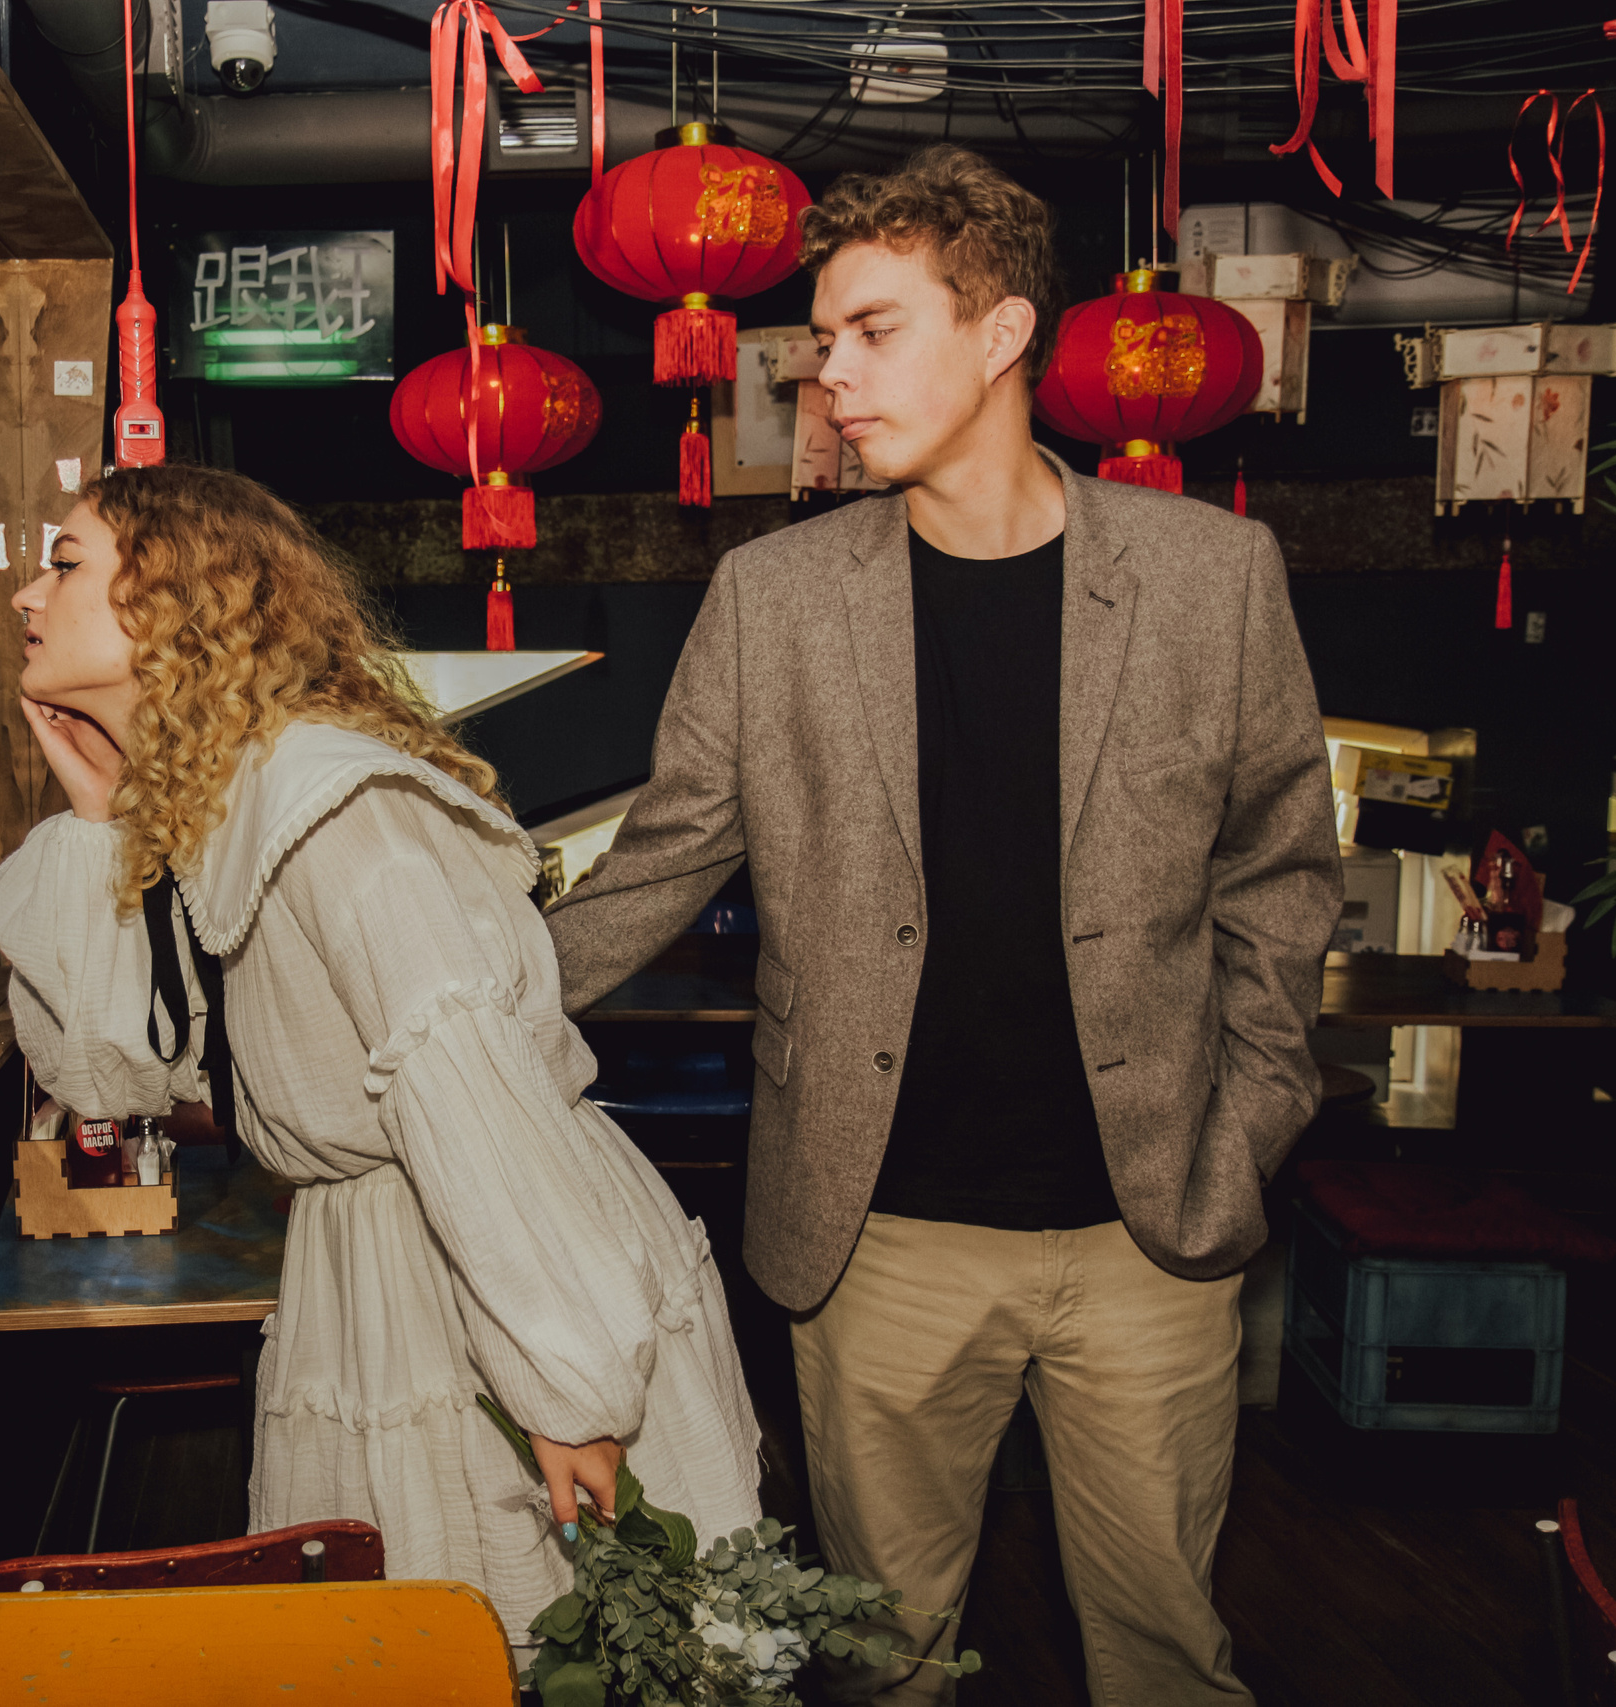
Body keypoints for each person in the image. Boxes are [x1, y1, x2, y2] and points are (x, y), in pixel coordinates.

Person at [544, 146, 1342, 1704]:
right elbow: (656, 862)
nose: (827, 375)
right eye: (821, 341)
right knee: (882, 1663)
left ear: (1002, 334)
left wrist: (1247, 1123)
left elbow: (1280, 873)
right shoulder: (771, 600)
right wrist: (450, 999)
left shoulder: (1211, 576)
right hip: (878, 1236)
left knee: (1171, 1655)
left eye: (871, 330)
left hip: (1152, 1234)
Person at [0, 463, 761, 1643]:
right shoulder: (225, 802)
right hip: (369, 1259)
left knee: (547, 1630)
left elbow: (466, 1087)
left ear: (170, 602)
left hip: (492, 1264)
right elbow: (107, 1076)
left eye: (66, 562)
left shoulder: (336, 803)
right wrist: (96, 827)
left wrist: (568, 1385)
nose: (27, 595)